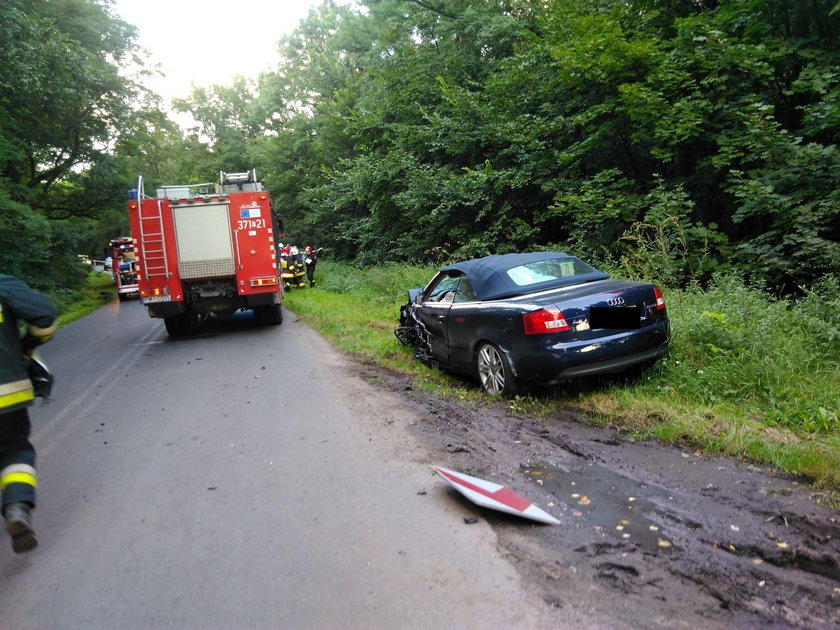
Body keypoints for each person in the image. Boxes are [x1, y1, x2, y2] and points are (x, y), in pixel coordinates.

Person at [0, 274, 57, 553]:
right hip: (5, 396)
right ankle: (17, 508)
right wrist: (26, 345)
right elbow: (45, 317)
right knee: (15, 452)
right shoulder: (3, 285)